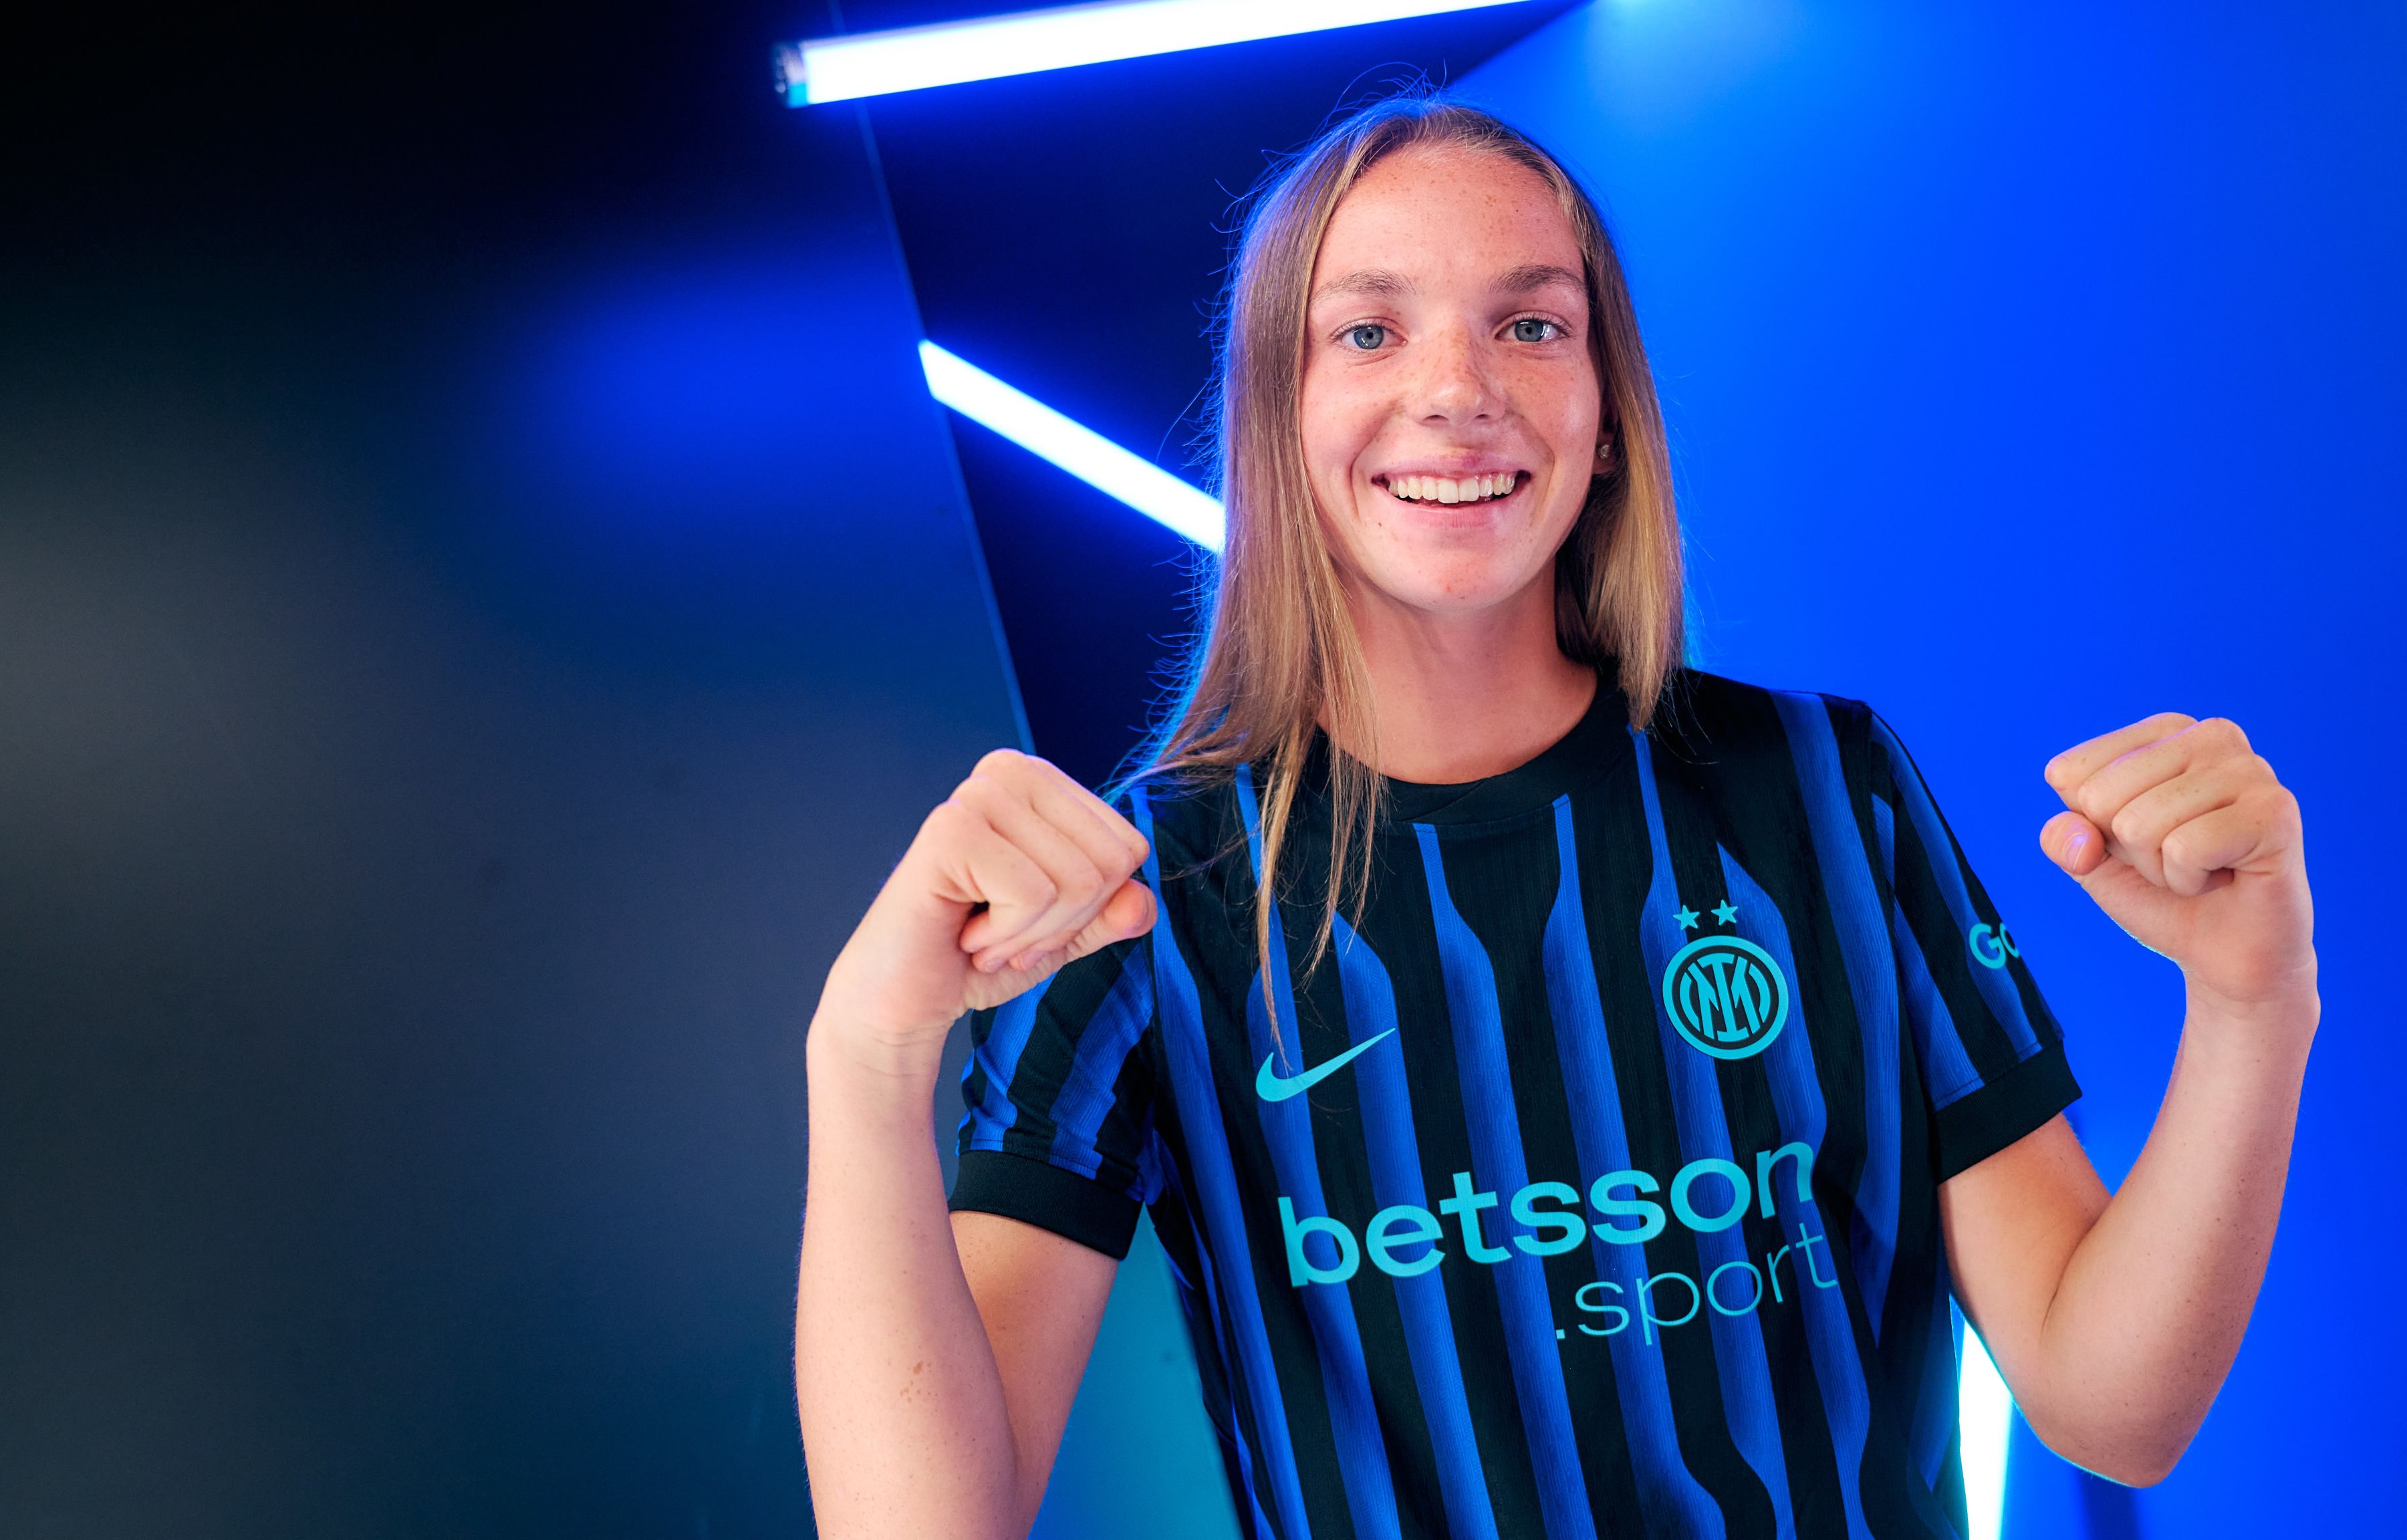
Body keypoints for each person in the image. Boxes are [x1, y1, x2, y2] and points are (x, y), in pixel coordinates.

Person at [794, 95, 2314, 1539]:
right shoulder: (1144, 897)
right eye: (1368, 330)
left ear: (1605, 418)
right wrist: (864, 1063)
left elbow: (2113, 1411)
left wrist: (2254, 1003)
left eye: (1529, 324)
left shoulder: (1821, 785)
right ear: (1274, 416)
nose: (1457, 391)